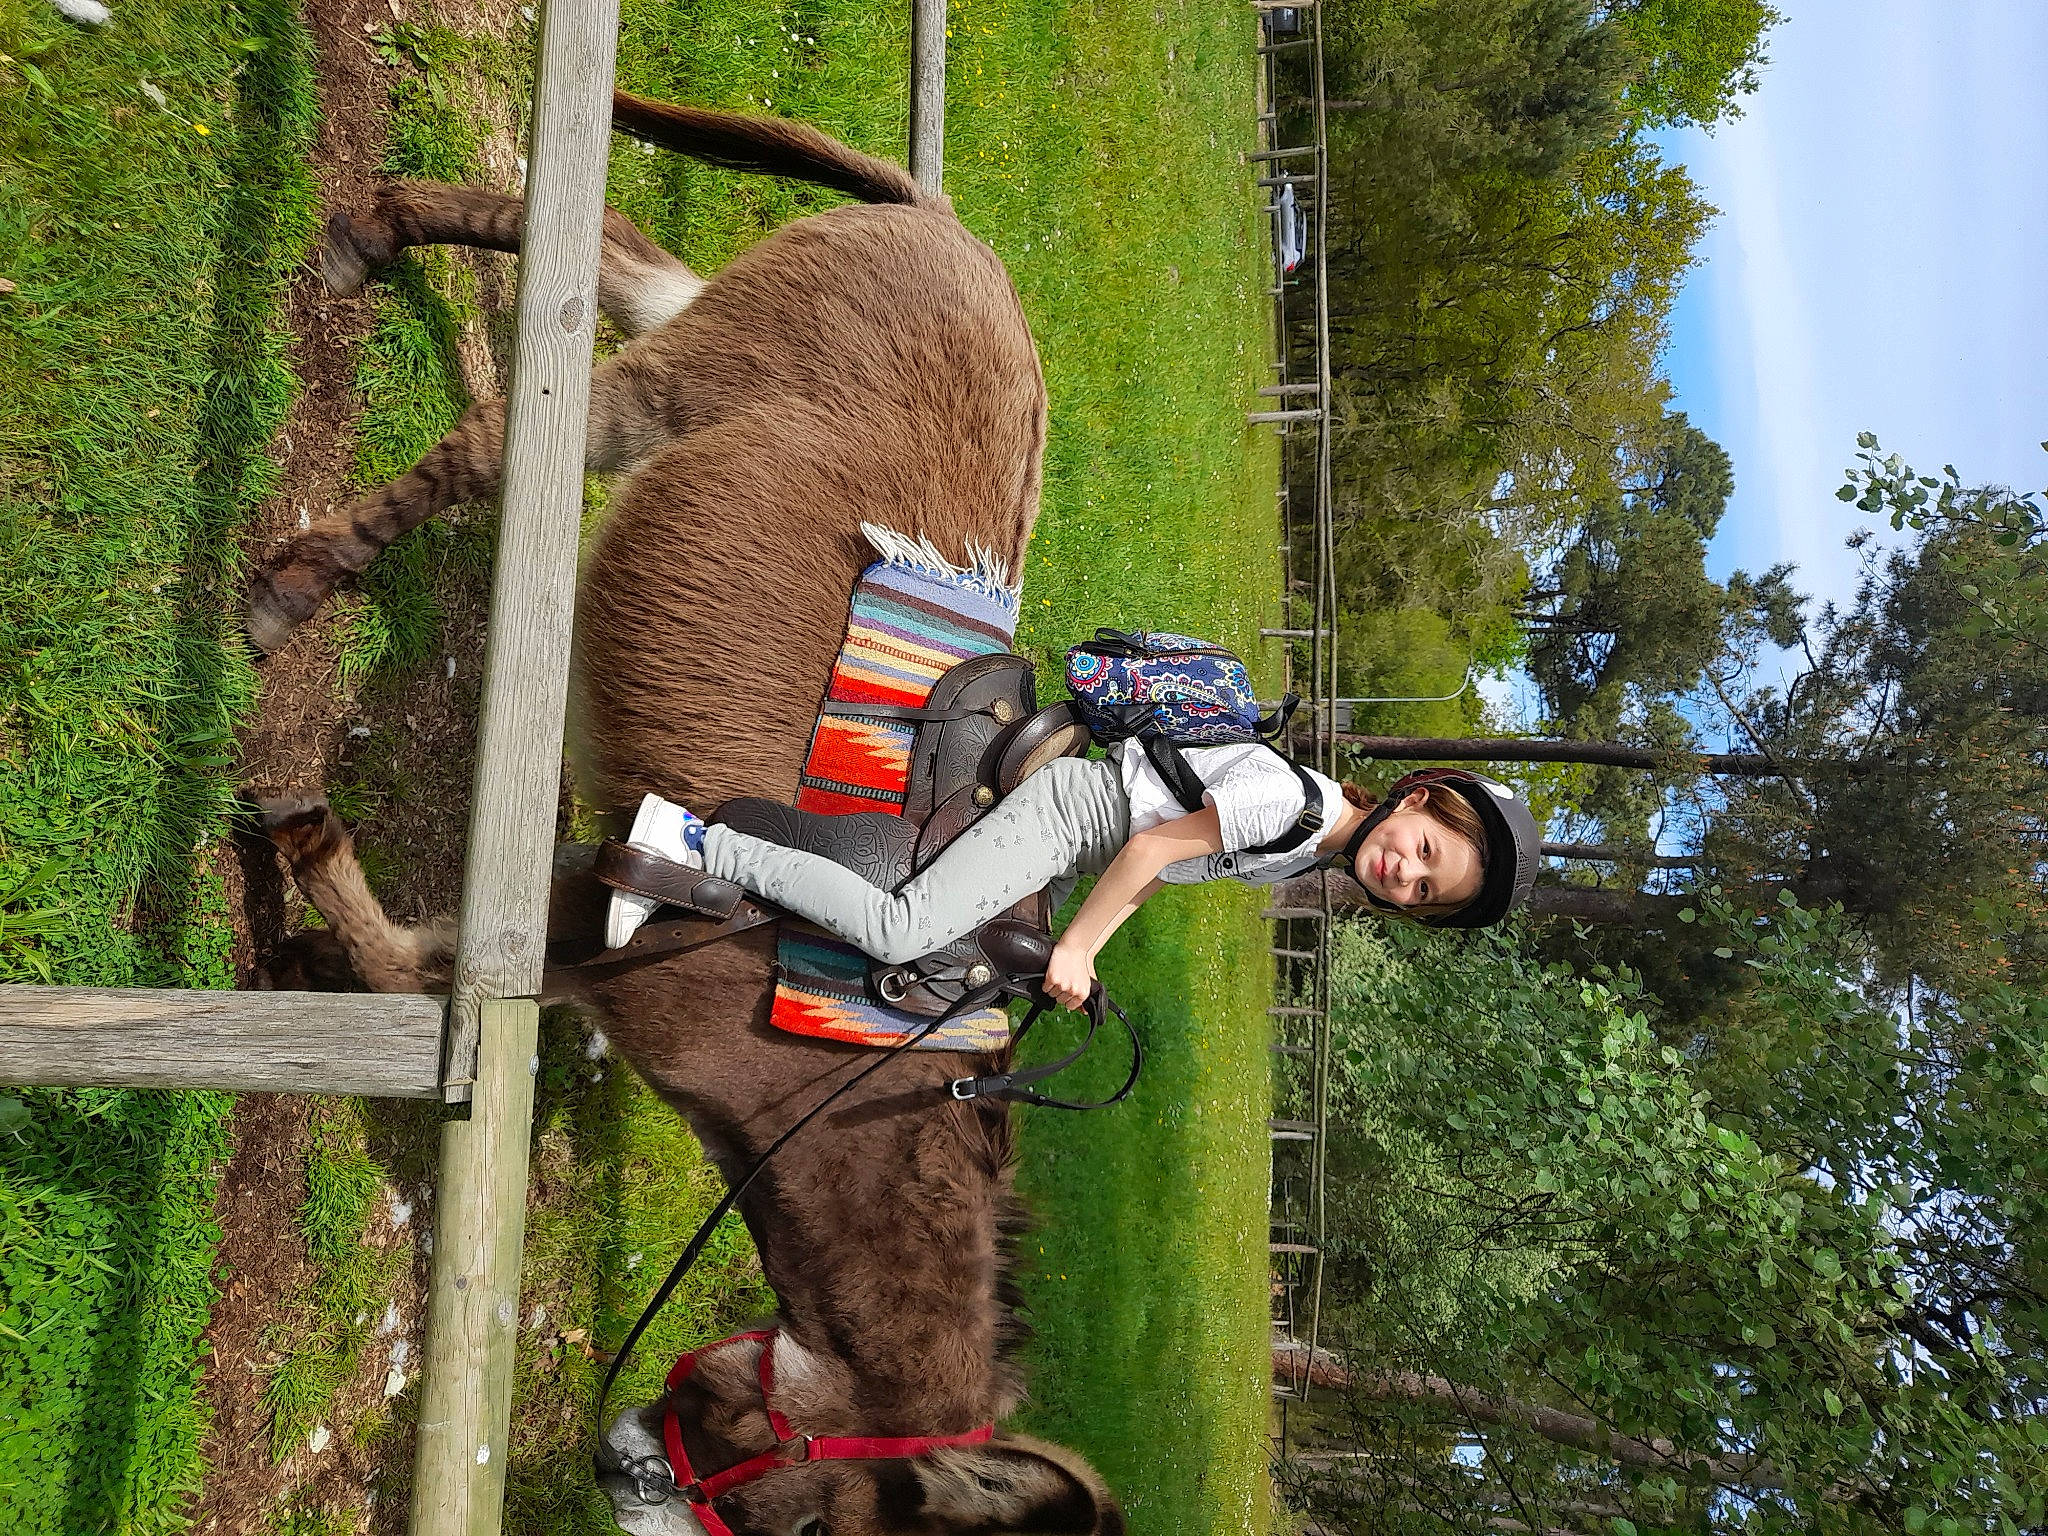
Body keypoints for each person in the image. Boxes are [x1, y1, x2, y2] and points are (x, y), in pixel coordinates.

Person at [604, 746, 1540, 1010]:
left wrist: (1087, 960)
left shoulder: (1315, 835)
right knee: (901, 932)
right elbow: (1146, 850)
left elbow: (1159, 868)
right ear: (1417, 800)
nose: (1402, 875)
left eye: (1423, 892)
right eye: (1425, 852)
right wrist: (1077, 945)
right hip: (1071, 815)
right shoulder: (1297, 808)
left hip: (1095, 835)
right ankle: (693, 842)